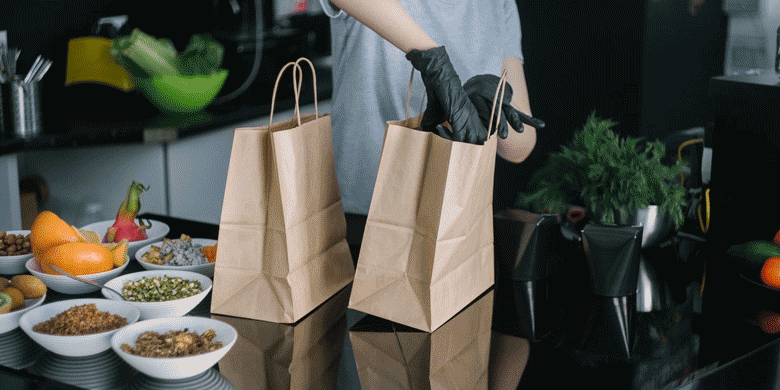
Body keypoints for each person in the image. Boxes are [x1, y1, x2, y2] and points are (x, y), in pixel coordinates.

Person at [318, 0, 543, 215]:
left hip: (451, 219)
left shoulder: (498, 4)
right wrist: (434, 62)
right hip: (361, 215)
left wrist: (489, 105)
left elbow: (520, 146)